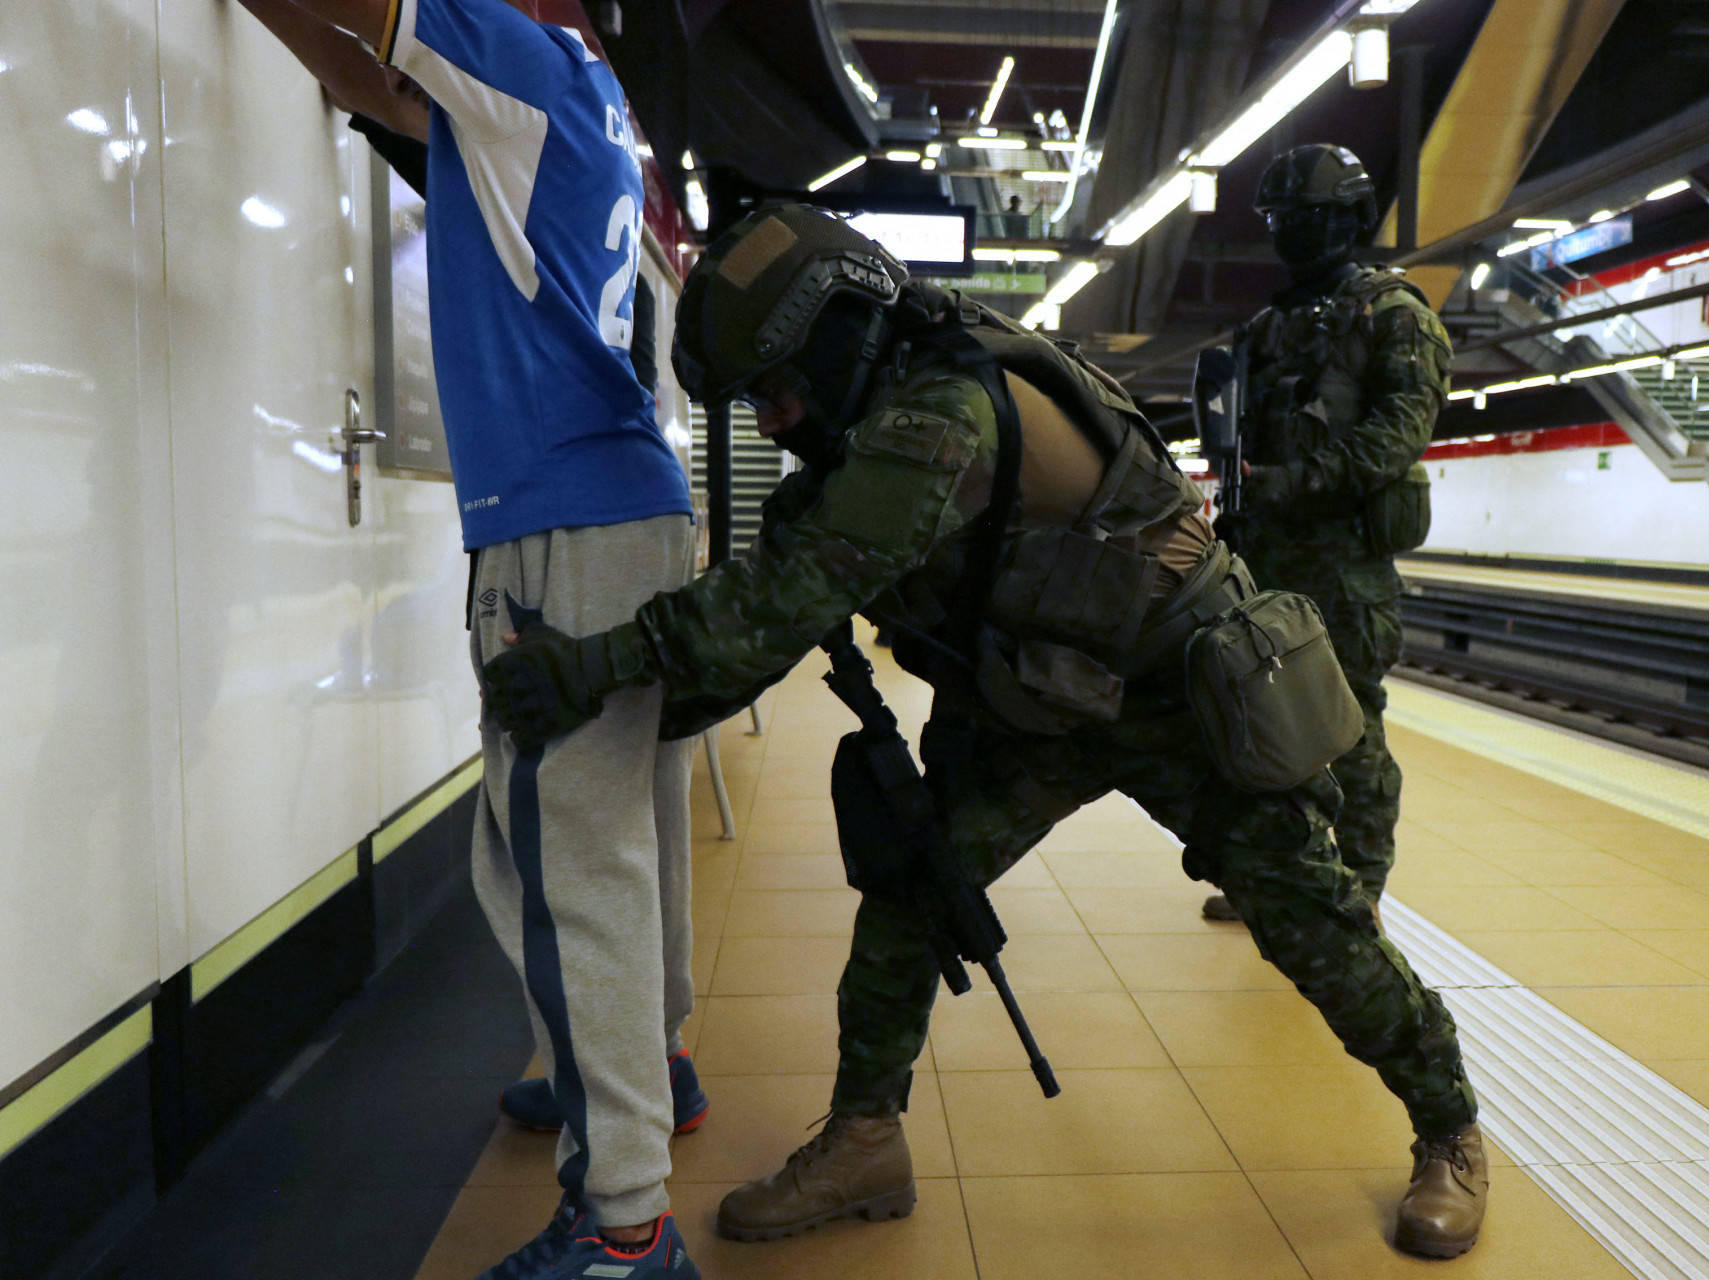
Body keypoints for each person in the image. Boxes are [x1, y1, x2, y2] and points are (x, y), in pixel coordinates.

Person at [481, 204, 1492, 1259]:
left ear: (836, 340)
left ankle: (1451, 1125)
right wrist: (633, 713)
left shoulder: (940, 415)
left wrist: (595, 670)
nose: (774, 421)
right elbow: (764, 624)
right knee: (910, 899)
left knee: (1313, 926)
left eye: (779, 389)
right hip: (1037, 704)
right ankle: (866, 1136)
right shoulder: (867, 430)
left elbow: (781, 600)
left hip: (1177, 694)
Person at [230, 1, 703, 1275]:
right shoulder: (576, 87)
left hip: (563, 525)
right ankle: (649, 1066)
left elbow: (376, 21)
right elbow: (367, 80)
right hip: (633, 508)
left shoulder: (506, 48)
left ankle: (626, 1225)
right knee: (629, 837)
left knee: (564, 867)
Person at [1202, 143, 1449, 925]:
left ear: (1349, 219)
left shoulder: (1397, 317)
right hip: (1264, 557)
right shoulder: (1267, 328)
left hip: (1344, 569)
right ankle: (1281, 878)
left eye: (1303, 218)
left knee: (1352, 732)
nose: (1288, 234)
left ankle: (1359, 893)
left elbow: (1394, 439)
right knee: (1265, 726)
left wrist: (1291, 484)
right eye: (1278, 219)